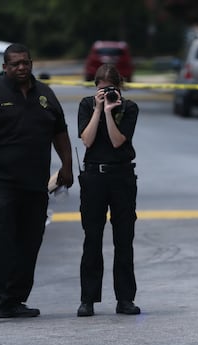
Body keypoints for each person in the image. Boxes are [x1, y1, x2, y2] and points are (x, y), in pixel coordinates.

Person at [0, 43, 74, 324]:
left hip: (34, 181)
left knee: (30, 239)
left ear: (31, 63)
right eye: (15, 64)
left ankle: (13, 300)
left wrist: (66, 166)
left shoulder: (45, 94)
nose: (22, 68)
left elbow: (60, 133)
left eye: (26, 63)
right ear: (5, 67)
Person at [76, 64, 140, 317]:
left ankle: (125, 298)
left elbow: (116, 141)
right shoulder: (86, 105)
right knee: (92, 238)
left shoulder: (129, 107)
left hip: (122, 176)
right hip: (94, 176)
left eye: (110, 90)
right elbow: (87, 140)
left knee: (124, 239)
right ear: (95, 89)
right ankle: (87, 299)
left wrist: (111, 113)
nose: (106, 94)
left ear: (120, 87)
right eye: (101, 91)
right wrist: (98, 109)